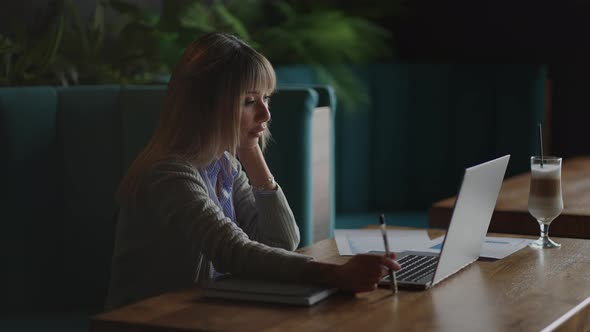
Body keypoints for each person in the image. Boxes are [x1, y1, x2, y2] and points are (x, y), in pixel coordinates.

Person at [105, 32, 399, 310]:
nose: (266, 114)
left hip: (200, 313)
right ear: (205, 107)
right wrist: (334, 274)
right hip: (147, 321)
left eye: (266, 98)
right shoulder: (168, 173)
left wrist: (250, 152)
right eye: (248, 101)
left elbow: (282, 241)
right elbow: (232, 250)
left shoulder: (224, 165)